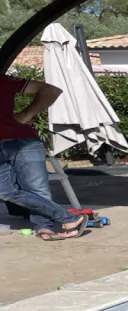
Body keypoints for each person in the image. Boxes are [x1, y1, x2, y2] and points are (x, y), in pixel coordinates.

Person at [1, 73, 87, 241]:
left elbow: (50, 90)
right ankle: (69, 218)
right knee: (5, 191)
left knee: (36, 188)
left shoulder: (4, 81)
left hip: (23, 141)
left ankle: (44, 226)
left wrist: (27, 114)